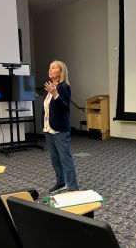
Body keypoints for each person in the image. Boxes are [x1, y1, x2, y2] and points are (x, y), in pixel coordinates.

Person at [42, 60, 79, 193]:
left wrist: (55, 94)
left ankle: (73, 188)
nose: (50, 70)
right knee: (55, 159)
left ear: (61, 71)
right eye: (49, 68)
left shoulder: (63, 87)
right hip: (48, 128)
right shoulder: (51, 86)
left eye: (53, 68)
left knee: (65, 159)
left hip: (60, 129)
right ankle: (61, 183)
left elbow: (65, 108)